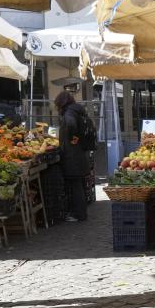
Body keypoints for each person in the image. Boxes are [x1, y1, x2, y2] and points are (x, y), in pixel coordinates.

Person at [54, 90, 93, 222]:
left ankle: (79, 215)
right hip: (79, 153)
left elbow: (70, 124)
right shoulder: (78, 110)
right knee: (79, 184)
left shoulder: (69, 112)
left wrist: (71, 137)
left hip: (72, 155)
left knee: (76, 185)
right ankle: (80, 213)